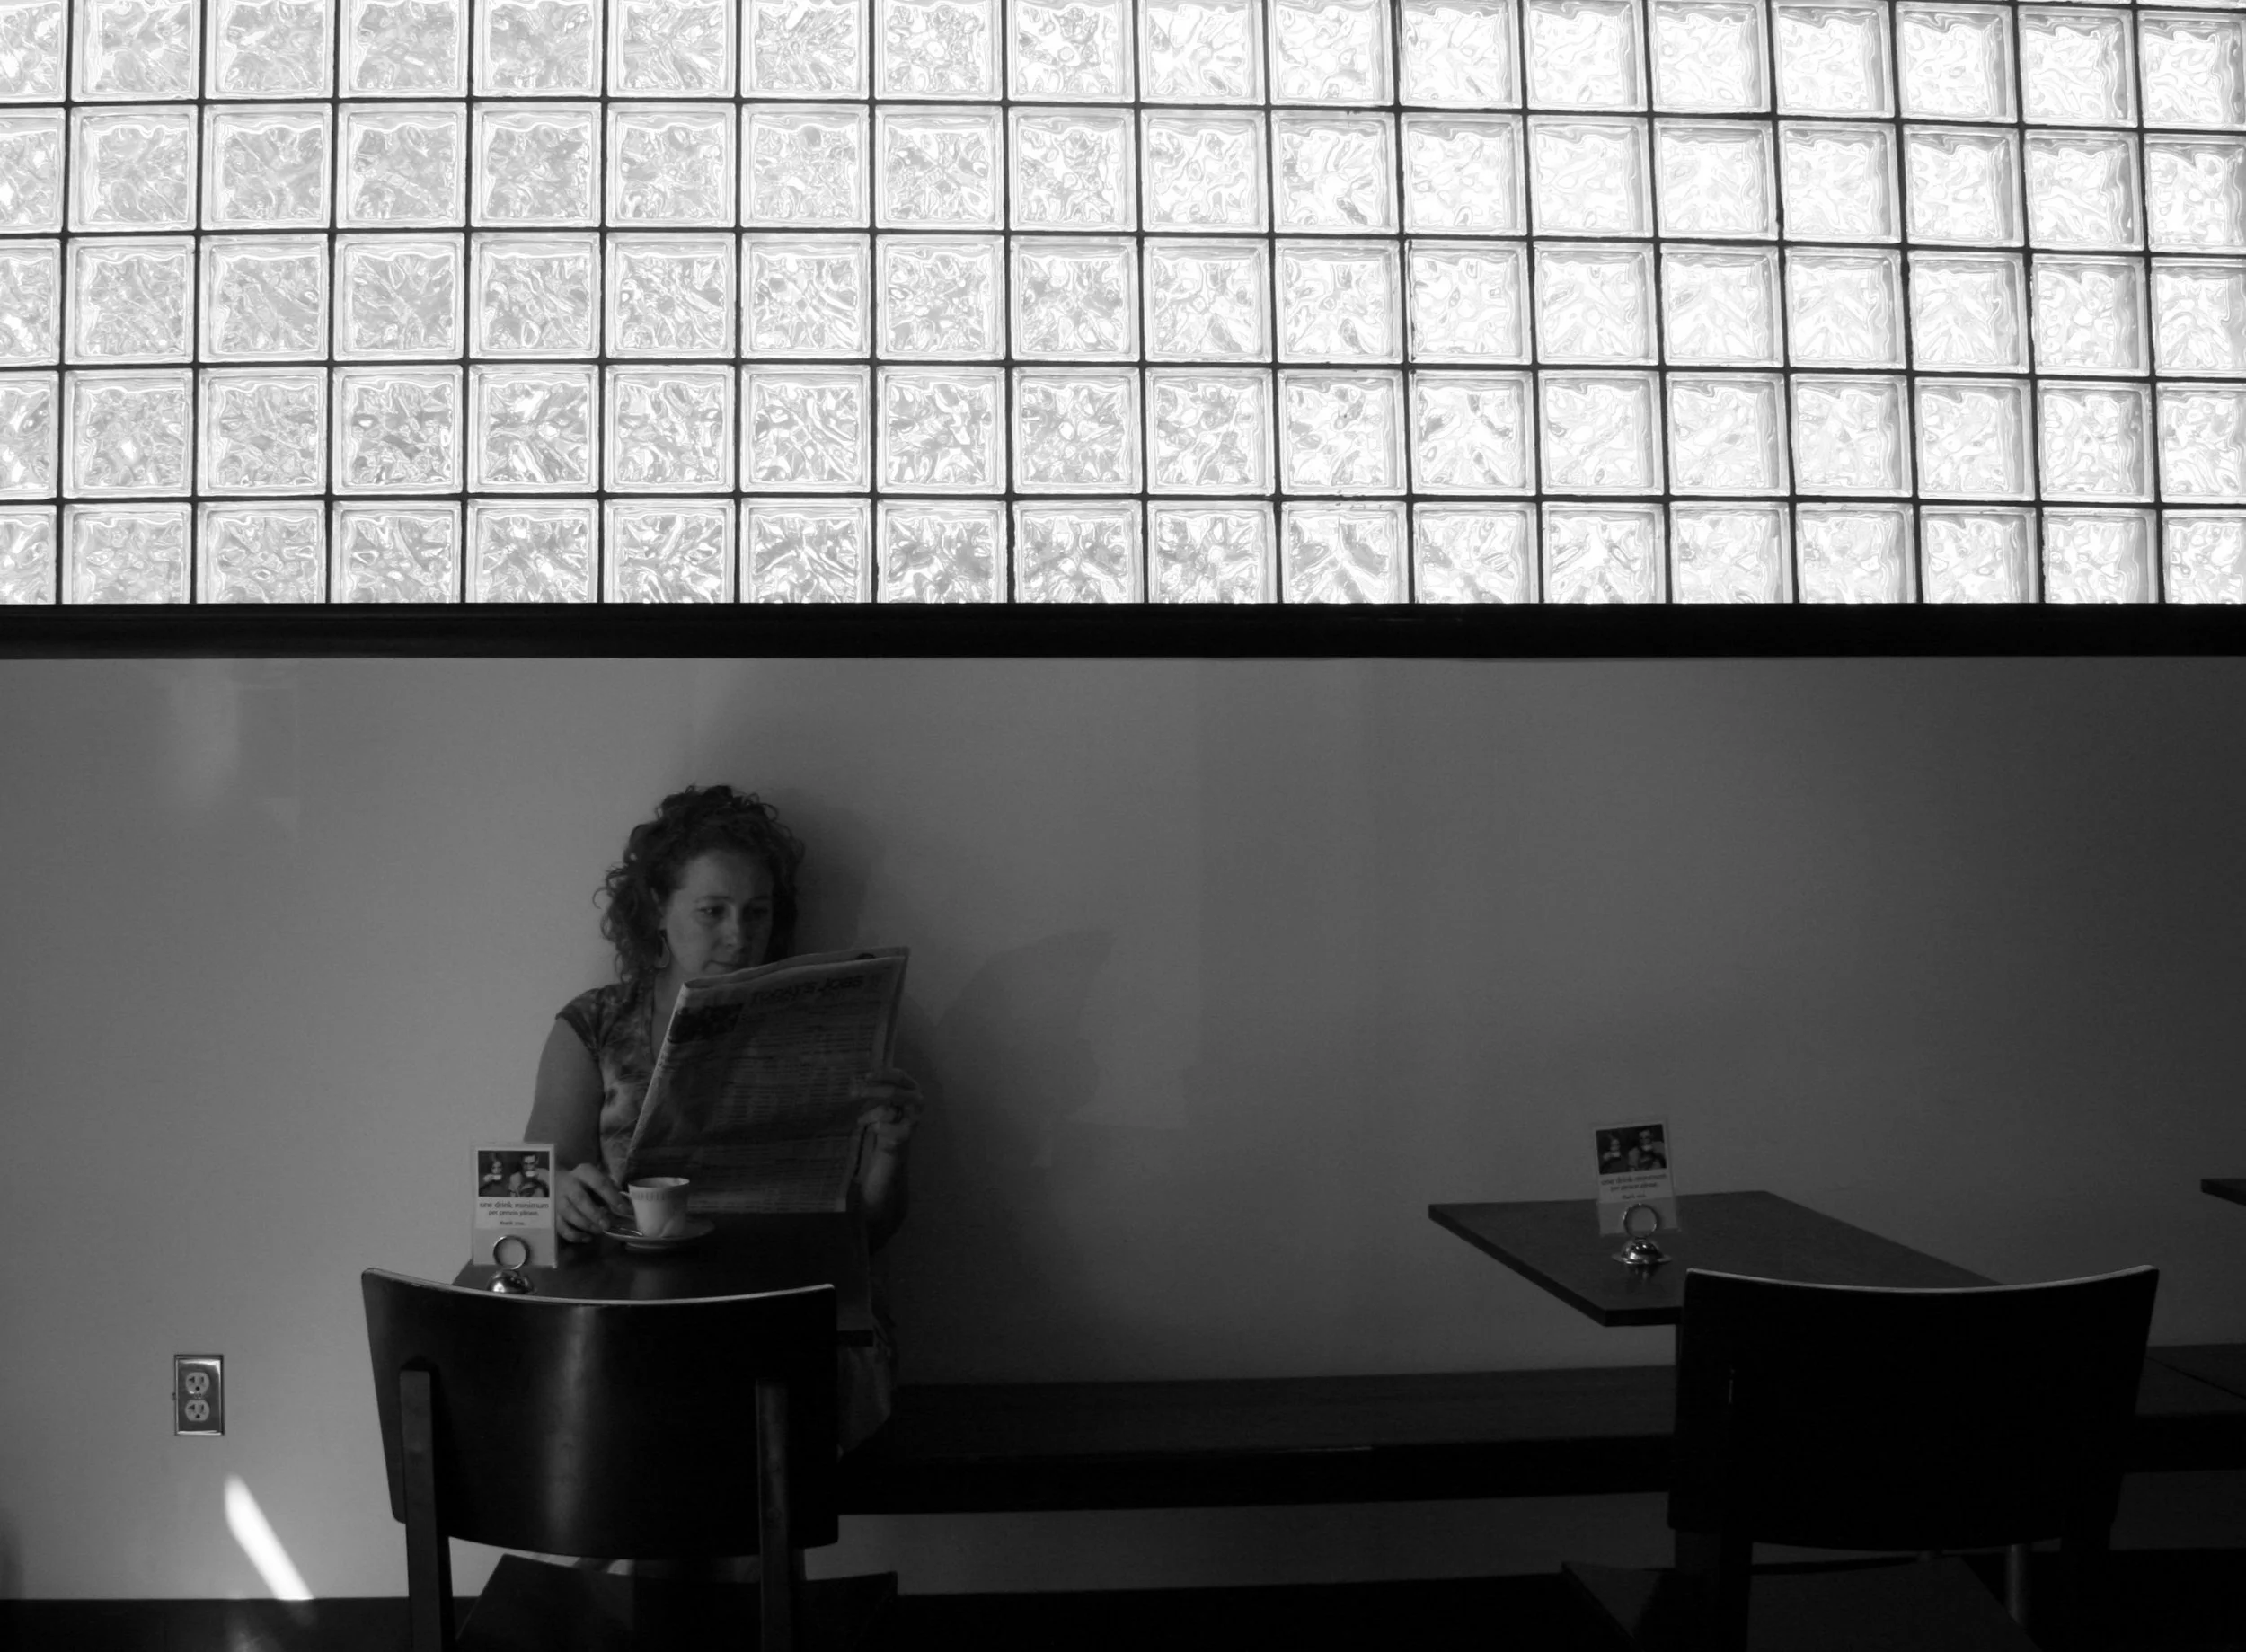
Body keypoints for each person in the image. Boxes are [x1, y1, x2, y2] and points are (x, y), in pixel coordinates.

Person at [525, 783, 923, 1450]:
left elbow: (868, 1236)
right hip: (643, 1324)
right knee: (652, 1411)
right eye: (712, 910)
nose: (739, 937)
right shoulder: (595, 1026)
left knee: (715, 1416)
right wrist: (557, 1192)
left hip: (792, 1324)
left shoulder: (825, 1023)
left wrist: (891, 1150)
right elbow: (524, 1195)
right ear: (657, 908)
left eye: (757, 912)